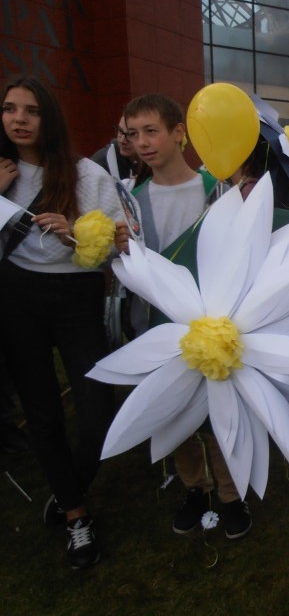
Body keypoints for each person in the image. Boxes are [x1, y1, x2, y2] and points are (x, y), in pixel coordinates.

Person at [0, 76, 124, 569]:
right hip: (16, 296)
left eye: (31, 110)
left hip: (76, 297)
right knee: (43, 410)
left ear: (48, 117)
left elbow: (118, 244)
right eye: (9, 109)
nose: (19, 119)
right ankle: (76, 516)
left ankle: (69, 483)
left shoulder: (86, 175)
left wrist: (76, 232)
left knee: (96, 409)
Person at [115, 93, 251, 540]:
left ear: (179, 133)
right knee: (172, 410)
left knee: (218, 409)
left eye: (151, 131)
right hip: (157, 325)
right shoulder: (131, 201)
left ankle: (231, 492)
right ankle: (195, 486)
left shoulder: (216, 188)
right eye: (133, 135)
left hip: (213, 324)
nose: (142, 143)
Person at [90, 116, 139, 183]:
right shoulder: (101, 162)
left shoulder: (153, 162)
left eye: (131, 134)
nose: (122, 140)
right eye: (120, 131)